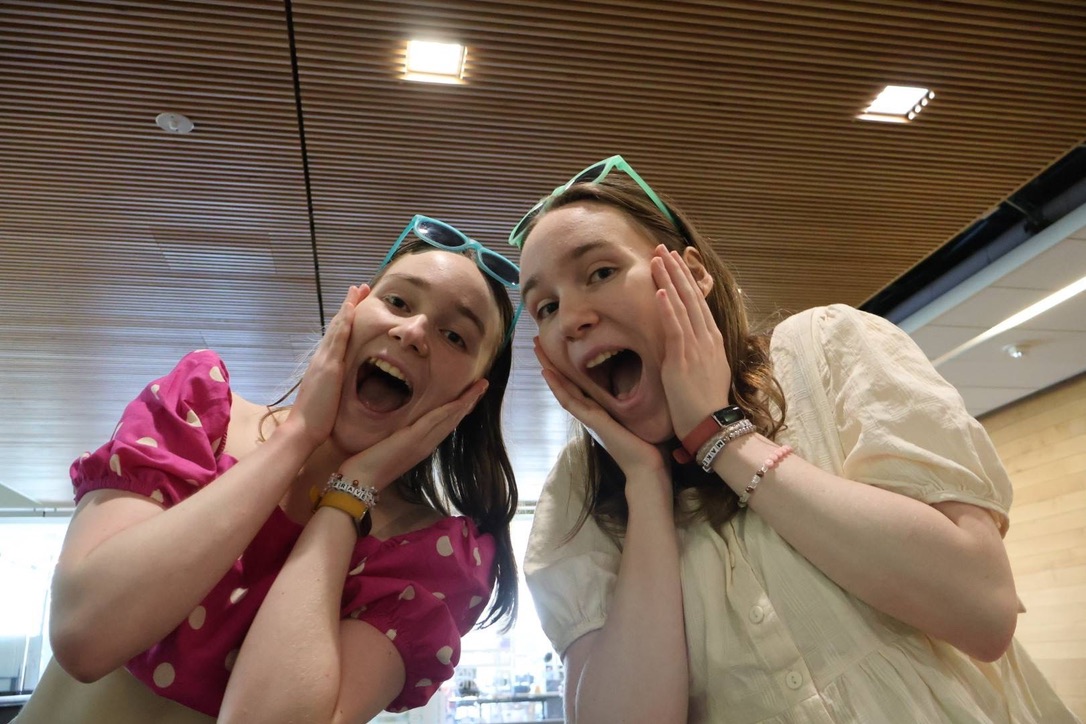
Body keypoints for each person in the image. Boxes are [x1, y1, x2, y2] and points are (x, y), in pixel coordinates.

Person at [514, 155, 1078, 723]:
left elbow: (982, 610)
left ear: (693, 273)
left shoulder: (825, 349)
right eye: (546, 307)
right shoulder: (577, 497)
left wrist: (722, 436)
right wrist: (644, 482)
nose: (571, 319)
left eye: (601, 272)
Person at [16, 215, 521, 723]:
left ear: (470, 397)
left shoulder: (430, 556)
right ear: (352, 309)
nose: (412, 332)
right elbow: (85, 635)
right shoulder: (199, 410)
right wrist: (299, 432)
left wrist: (350, 495)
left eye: (455, 336)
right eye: (398, 301)